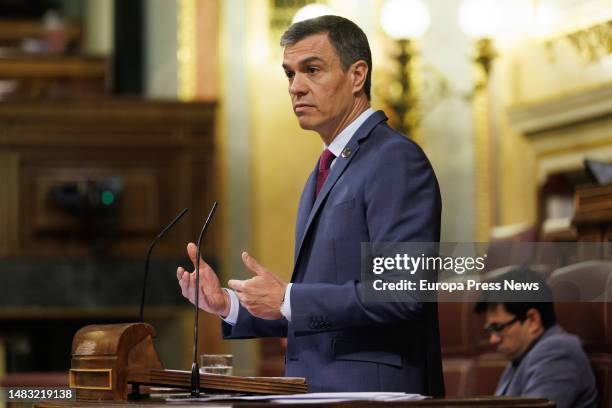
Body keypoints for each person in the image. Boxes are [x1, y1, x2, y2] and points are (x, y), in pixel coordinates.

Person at [177, 15, 444, 395]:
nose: (296, 88)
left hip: (373, 395)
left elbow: (401, 293)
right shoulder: (327, 168)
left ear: (357, 75)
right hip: (321, 391)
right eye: (289, 74)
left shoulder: (394, 159)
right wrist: (230, 306)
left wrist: (287, 297)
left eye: (312, 70)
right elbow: (318, 310)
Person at [474, 268, 597, 408]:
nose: (493, 339)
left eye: (498, 328)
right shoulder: (522, 354)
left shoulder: (557, 352)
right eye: (490, 330)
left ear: (532, 320)